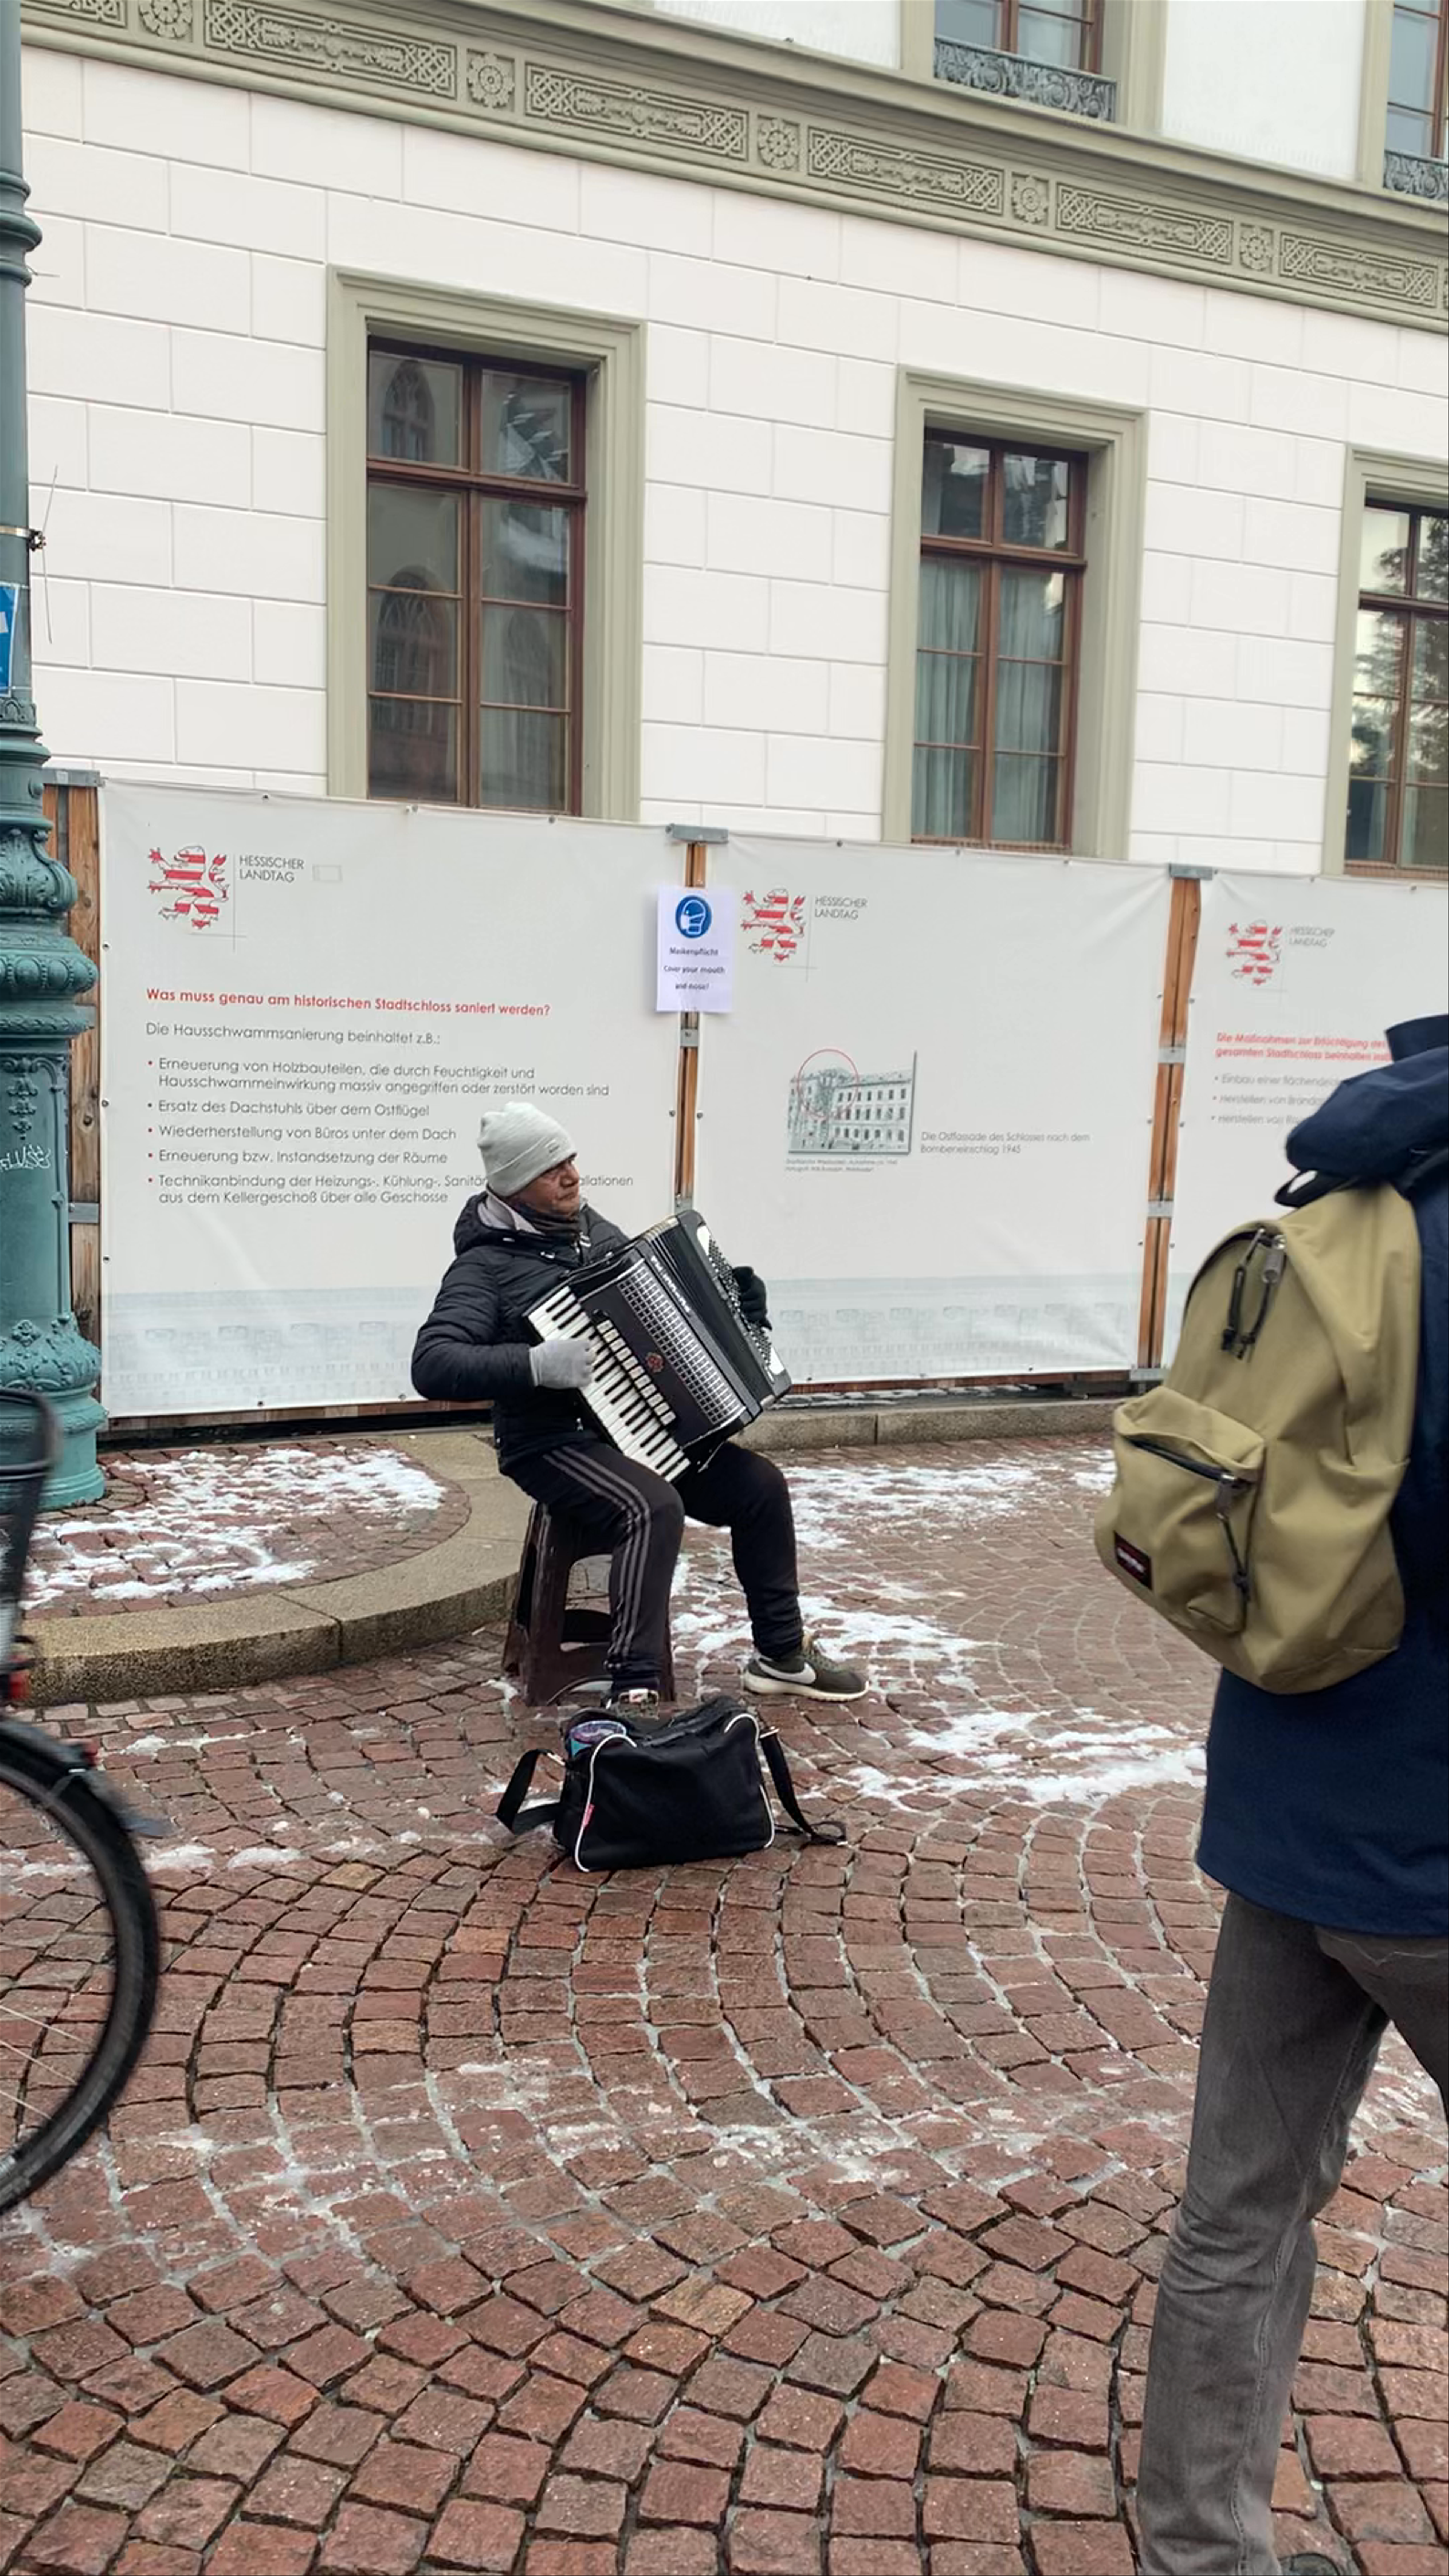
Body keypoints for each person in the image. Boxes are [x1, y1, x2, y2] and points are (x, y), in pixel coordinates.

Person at [1136, 1015, 1448, 2576]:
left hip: (1287, 1807)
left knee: (1237, 2210)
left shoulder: (1338, 1203)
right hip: (1435, 1846)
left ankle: (1197, 2552)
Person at [411, 1101, 867, 1715]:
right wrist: (536, 1364)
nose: (572, 1174)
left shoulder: (596, 1234)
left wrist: (740, 1309)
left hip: (641, 1428)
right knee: (654, 1506)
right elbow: (433, 1363)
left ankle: (781, 1655)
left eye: (570, 1158)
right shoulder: (483, 1268)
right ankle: (633, 1685)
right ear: (517, 1188)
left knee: (760, 1486)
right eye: (552, 1169)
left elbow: (667, 1319)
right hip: (549, 1441)